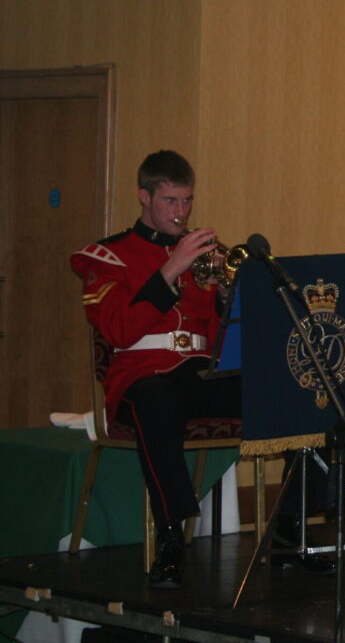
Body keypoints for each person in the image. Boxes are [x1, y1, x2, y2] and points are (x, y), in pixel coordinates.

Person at [71, 151, 240, 589]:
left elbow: (225, 339)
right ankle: (170, 536)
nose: (181, 212)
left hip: (199, 371)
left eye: (186, 201)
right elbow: (117, 329)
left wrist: (226, 293)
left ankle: (291, 530)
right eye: (170, 201)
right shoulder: (107, 256)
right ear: (144, 197)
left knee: (285, 388)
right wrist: (172, 268)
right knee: (157, 398)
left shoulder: (206, 255)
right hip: (139, 376)